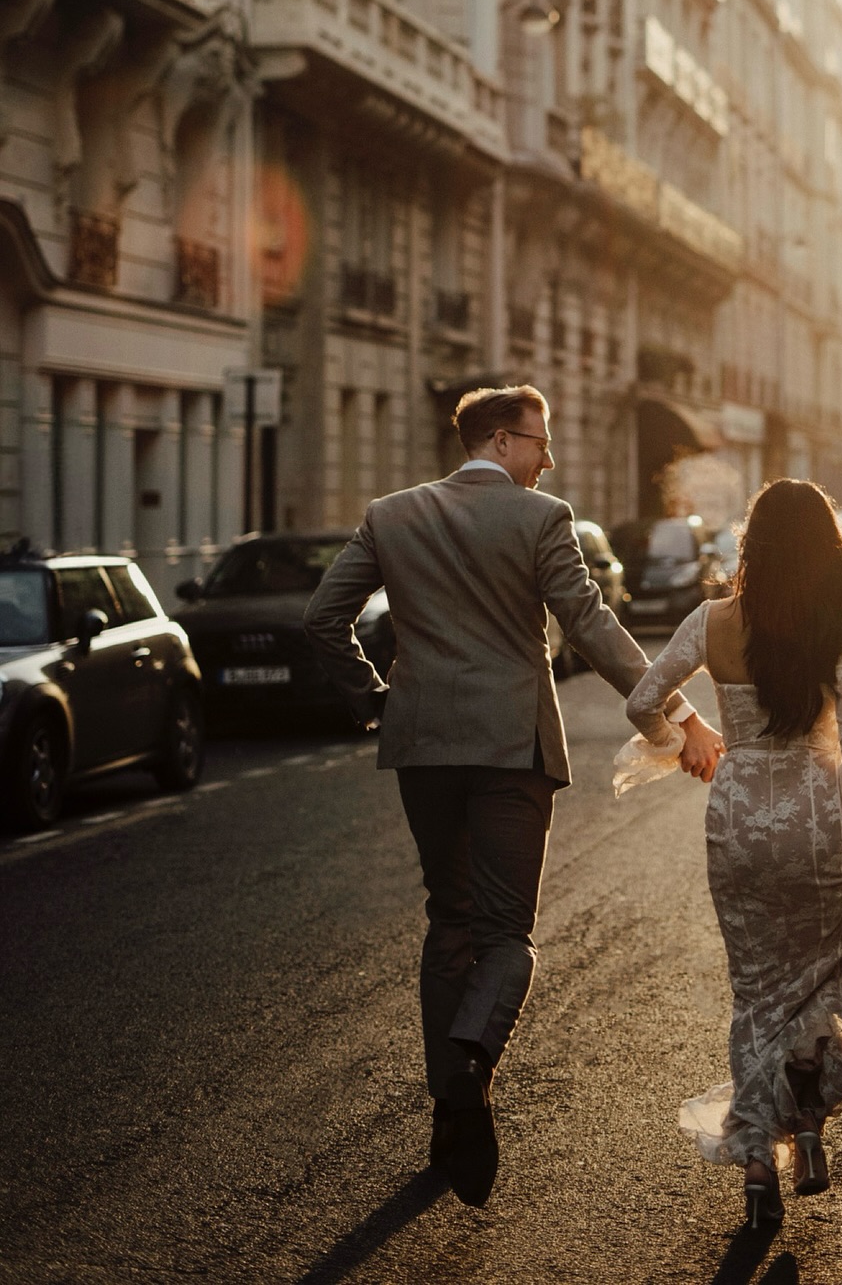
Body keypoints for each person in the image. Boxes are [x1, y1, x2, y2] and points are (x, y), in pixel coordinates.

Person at [303, 384, 724, 1208]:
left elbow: (324, 617)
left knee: (448, 920)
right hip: (511, 749)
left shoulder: (391, 515)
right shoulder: (541, 519)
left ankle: (449, 1112)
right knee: (507, 934)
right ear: (501, 439)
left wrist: (377, 697)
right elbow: (594, 626)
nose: (550, 458)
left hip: (423, 746)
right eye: (541, 441)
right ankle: (469, 1064)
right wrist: (675, 712)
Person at [623, 478, 842, 1229]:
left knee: (756, 993)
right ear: (826, 546)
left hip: (738, 818)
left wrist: (689, 740)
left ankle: (759, 1165)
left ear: (751, 544)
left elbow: (641, 699)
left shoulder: (713, 620)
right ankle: (813, 1128)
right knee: (819, 983)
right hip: (819, 817)